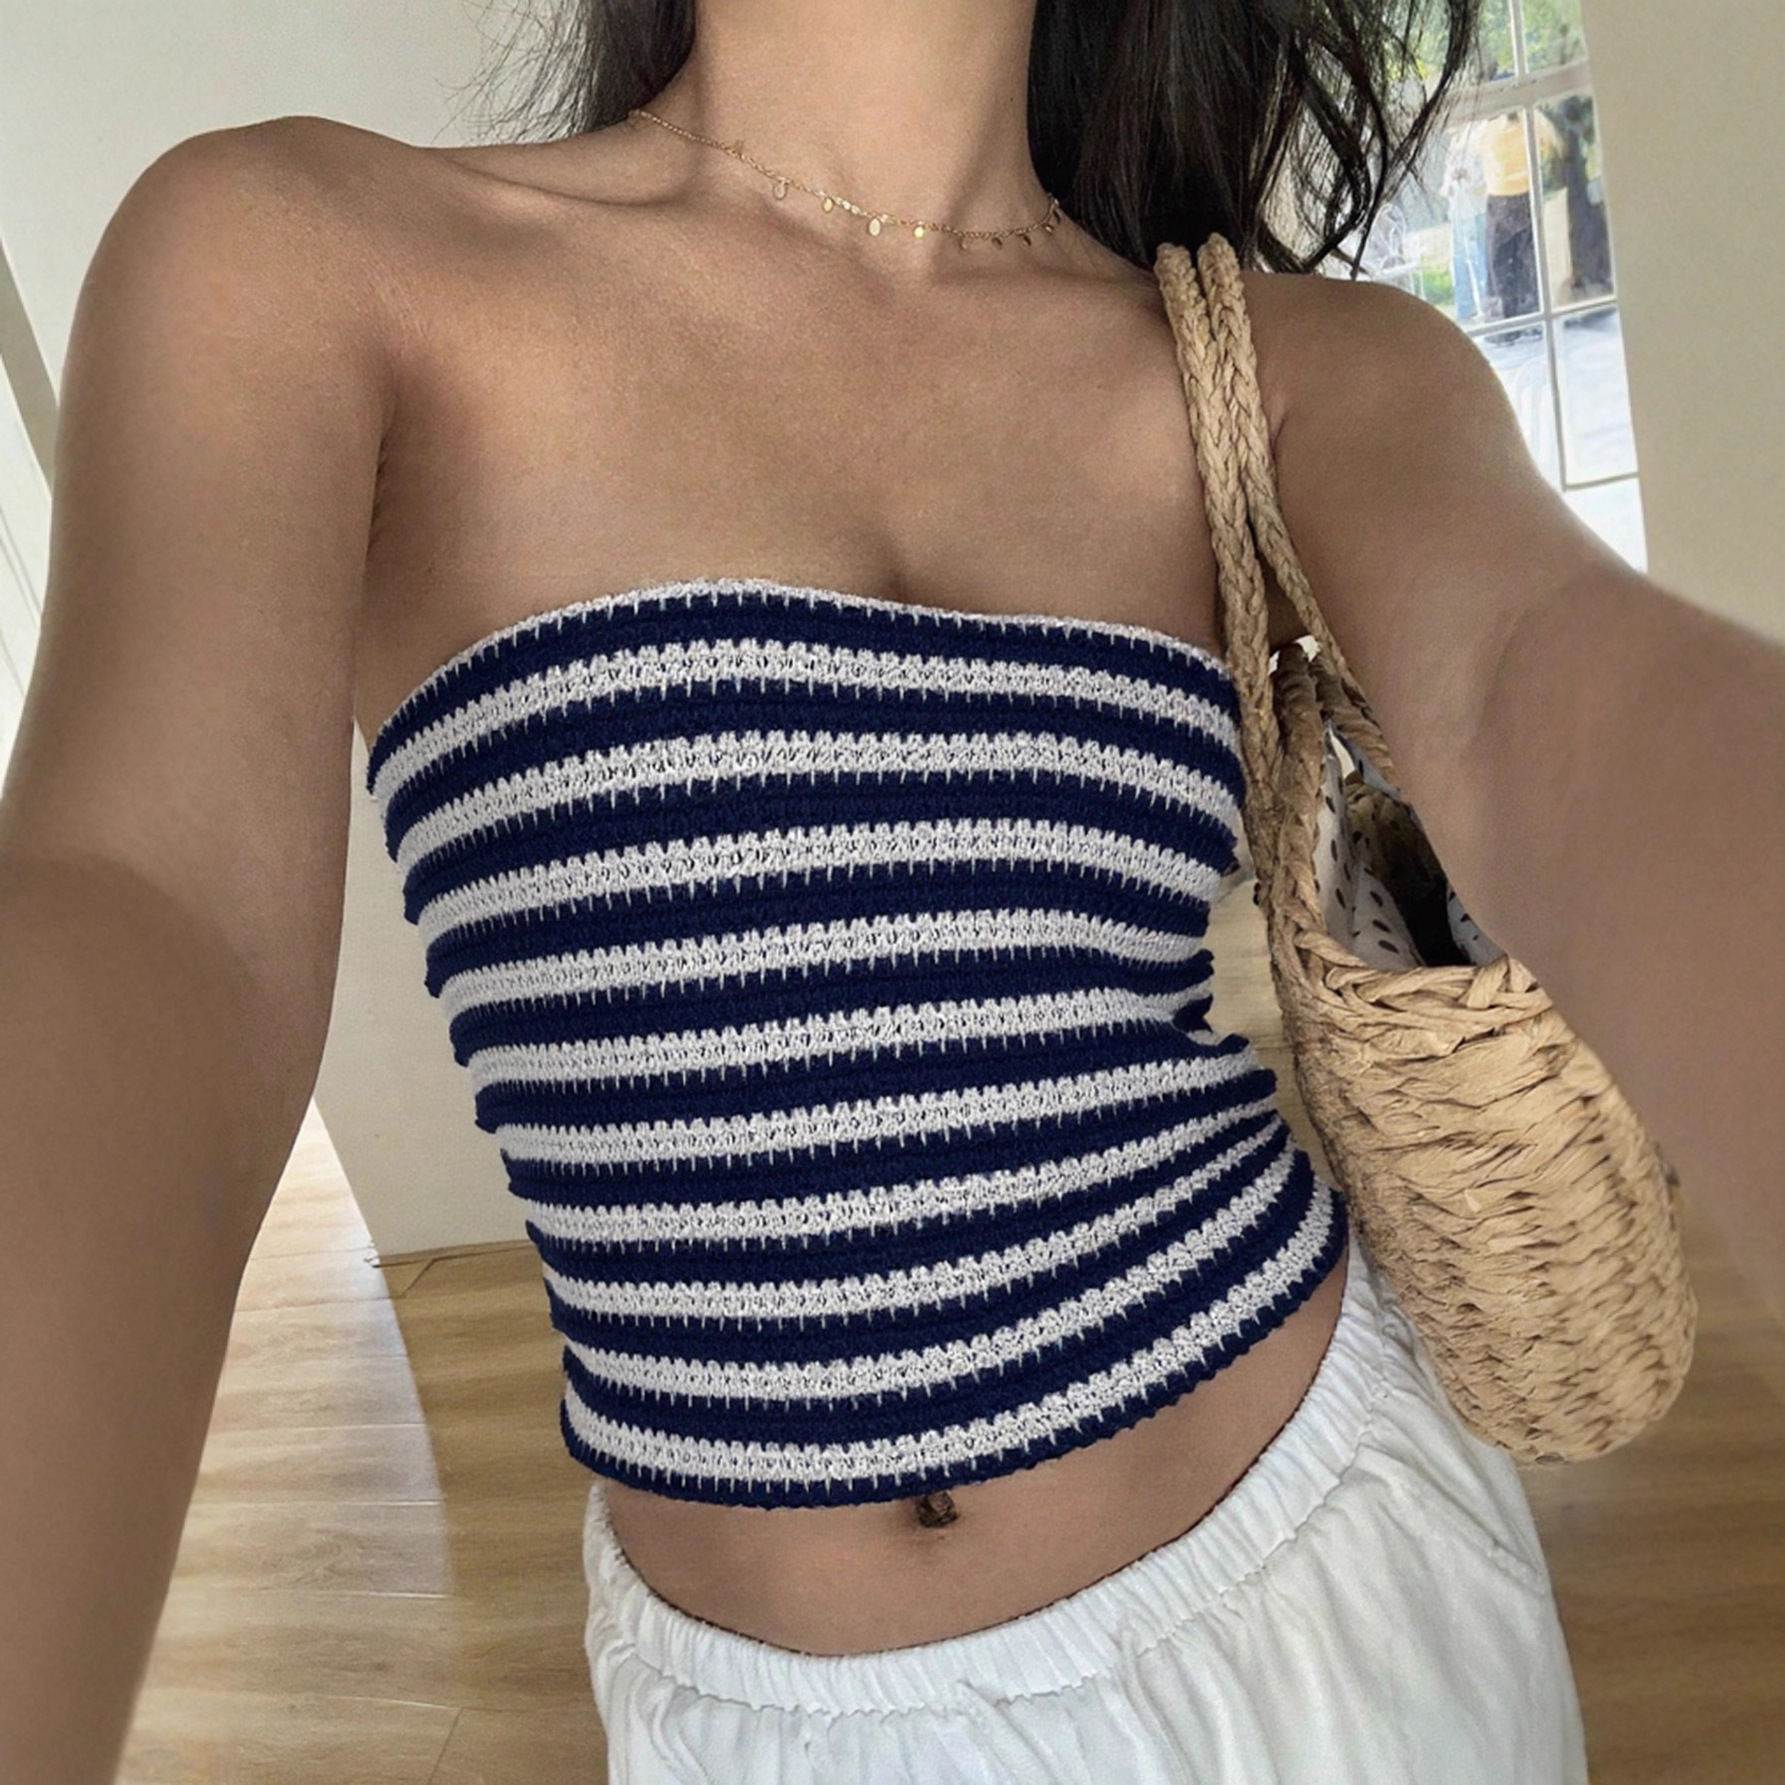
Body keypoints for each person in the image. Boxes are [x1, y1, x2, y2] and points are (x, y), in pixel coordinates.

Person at [2, 1, 1782, 1781]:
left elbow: (1545, 687)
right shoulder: (304, 267)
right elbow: (149, 906)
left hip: (1347, 1598)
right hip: (778, 1723)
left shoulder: (1291, 368)